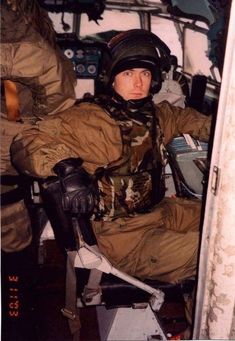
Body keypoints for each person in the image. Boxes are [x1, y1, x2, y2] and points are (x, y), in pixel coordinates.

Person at [10, 29, 212, 286]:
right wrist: (66, 167)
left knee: (223, 220)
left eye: (145, 74)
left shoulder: (161, 116)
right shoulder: (91, 120)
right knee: (217, 249)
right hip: (123, 238)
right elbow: (26, 141)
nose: (138, 84)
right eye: (128, 74)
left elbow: (205, 124)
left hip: (160, 211)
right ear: (111, 78)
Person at [1, 1, 76, 339]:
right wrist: (29, 132)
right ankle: (18, 324)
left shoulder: (11, 89)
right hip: (8, 177)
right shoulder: (31, 49)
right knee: (15, 266)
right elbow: (57, 99)